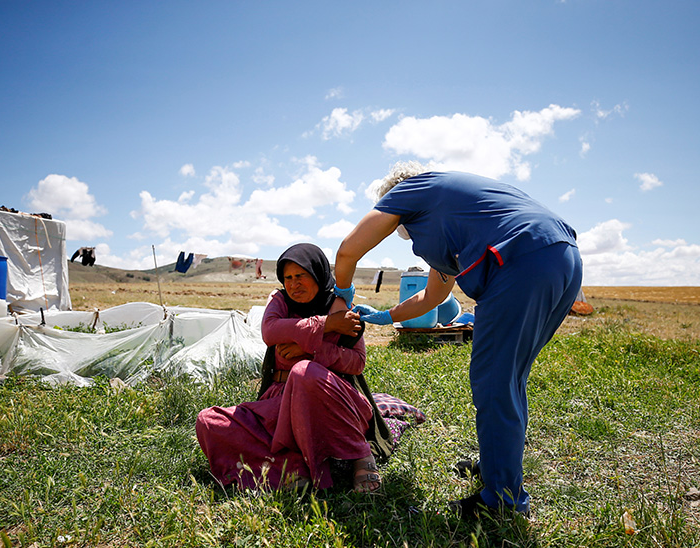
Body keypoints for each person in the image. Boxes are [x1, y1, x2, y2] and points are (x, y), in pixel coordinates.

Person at [334, 162, 583, 519]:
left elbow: (347, 251)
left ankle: (502, 501)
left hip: (517, 263)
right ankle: (497, 465)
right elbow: (433, 297)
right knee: (510, 379)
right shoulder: (454, 214)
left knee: (494, 382)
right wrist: (386, 316)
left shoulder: (411, 190)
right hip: (561, 257)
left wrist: (342, 295)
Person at [195, 243, 382, 493]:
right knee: (209, 421)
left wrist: (311, 353)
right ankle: (292, 467)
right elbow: (270, 330)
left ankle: (360, 453)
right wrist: (326, 325)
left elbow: (356, 362)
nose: (294, 284)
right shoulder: (281, 300)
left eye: (301, 276)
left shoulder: (341, 308)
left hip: (329, 400)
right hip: (279, 402)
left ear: (317, 274)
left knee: (304, 371)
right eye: (288, 278)